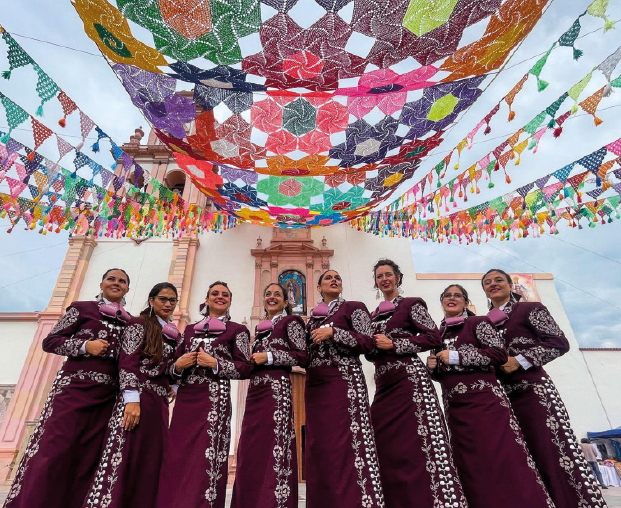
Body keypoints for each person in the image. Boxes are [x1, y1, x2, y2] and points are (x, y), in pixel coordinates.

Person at [3, 269, 131, 508]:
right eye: (111, 279)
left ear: (127, 289)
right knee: (55, 449)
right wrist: (85, 346)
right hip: (73, 390)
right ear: (102, 283)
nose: (116, 283)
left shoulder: (129, 320)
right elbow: (50, 341)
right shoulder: (82, 308)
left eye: (122, 281)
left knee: (88, 457)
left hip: (107, 398)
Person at [482, 268, 607, 508]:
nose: (493, 284)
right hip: (501, 399)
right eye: (487, 282)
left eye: (499, 280)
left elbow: (558, 342)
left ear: (510, 285)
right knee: (519, 458)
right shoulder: (486, 322)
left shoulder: (528, 309)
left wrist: (519, 361)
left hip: (533, 393)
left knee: (552, 452)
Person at [429, 284, 554, 508]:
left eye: (458, 295)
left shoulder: (478, 322)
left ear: (466, 302)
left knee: (502, 456)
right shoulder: (439, 335)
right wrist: (433, 368)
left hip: (484, 402)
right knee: (471, 464)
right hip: (455, 407)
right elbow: (443, 372)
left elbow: (498, 354)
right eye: (447, 295)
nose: (452, 298)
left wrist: (456, 357)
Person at [368, 260, 466, 508]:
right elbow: (370, 351)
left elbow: (432, 336)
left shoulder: (412, 304)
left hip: (409, 380)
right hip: (383, 384)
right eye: (380, 276)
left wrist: (395, 345)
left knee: (417, 445)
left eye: (389, 274)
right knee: (385, 445)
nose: (385, 279)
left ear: (398, 278)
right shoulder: (373, 314)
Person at [81, 282, 181, 508]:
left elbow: (173, 367)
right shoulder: (138, 324)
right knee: (124, 453)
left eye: (172, 300)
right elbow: (128, 361)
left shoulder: (174, 334)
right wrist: (131, 401)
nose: (167, 303)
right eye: (163, 298)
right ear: (152, 300)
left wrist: (174, 386)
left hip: (159, 404)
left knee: (151, 459)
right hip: (137, 396)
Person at [156, 281, 252, 508]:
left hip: (214, 399)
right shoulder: (189, 330)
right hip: (187, 400)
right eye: (215, 294)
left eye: (225, 295)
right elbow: (171, 369)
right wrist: (178, 365)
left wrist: (215, 363)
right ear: (206, 299)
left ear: (230, 301)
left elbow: (245, 367)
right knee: (177, 454)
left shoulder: (238, 330)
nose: (220, 297)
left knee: (206, 456)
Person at [305, 270, 384, 508]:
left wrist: (334, 332)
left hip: (344, 380)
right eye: (328, 278)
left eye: (337, 277)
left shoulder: (353, 307)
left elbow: (369, 342)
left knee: (349, 442)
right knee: (321, 447)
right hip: (316, 386)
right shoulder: (312, 319)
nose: (334, 280)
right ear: (318, 288)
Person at [231, 283, 308, 508]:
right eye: (268, 293)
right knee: (251, 448)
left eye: (277, 294)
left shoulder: (290, 322)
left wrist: (270, 357)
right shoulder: (260, 330)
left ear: (286, 302)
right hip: (255, 392)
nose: (271, 297)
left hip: (276, 391)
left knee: (275, 445)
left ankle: (274, 501)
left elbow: (302, 356)